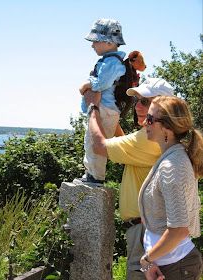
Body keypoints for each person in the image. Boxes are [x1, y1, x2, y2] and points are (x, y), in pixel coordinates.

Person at [83, 78, 174, 280]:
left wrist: (93, 108)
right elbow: (126, 146)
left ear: (163, 107)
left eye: (145, 102)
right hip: (150, 227)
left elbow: (100, 146)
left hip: (144, 230)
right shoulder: (165, 135)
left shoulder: (149, 139)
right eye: (137, 101)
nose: (138, 106)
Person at [139, 96, 203, 280]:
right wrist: (151, 262)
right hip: (169, 265)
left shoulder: (172, 166)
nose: (144, 123)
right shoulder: (172, 158)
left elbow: (178, 230)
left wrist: (146, 261)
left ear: (167, 128)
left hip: (176, 268)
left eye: (150, 119)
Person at [73, 18, 126, 187]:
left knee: (94, 143)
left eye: (95, 41)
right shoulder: (111, 60)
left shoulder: (111, 62)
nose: (92, 45)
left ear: (109, 42)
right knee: (91, 142)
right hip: (106, 108)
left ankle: (95, 177)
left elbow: (102, 83)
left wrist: (86, 85)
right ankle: (91, 173)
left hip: (104, 108)